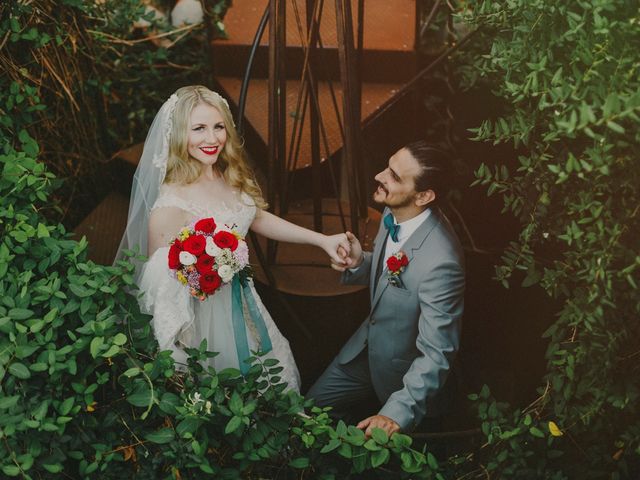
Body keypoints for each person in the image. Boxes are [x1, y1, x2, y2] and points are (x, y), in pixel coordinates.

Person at [116, 85, 350, 392]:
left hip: (244, 302)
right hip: (204, 321)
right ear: (177, 134)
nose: (212, 139)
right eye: (198, 128)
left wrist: (321, 240)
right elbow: (156, 285)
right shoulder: (170, 206)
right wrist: (203, 277)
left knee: (268, 378)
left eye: (218, 127)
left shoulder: (226, 174)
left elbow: (255, 216)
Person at [306, 141, 465, 436]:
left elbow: (437, 353)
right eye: (387, 166)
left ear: (424, 195)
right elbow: (386, 274)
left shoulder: (442, 264)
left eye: (394, 176)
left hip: (403, 373)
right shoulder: (395, 214)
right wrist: (358, 263)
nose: (380, 176)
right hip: (364, 351)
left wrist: (395, 413)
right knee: (310, 410)